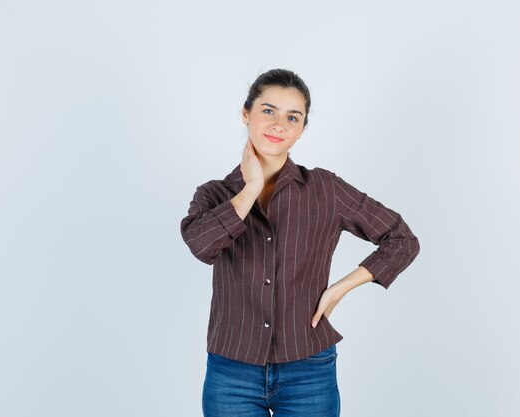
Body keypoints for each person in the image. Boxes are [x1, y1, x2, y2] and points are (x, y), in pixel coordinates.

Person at [180, 68, 420, 417]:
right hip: (231, 372)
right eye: (268, 110)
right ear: (246, 114)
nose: (279, 124)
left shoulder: (326, 189)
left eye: (293, 117)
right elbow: (202, 246)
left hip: (309, 369)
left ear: (302, 129)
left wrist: (339, 288)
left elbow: (401, 239)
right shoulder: (214, 193)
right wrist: (249, 189)